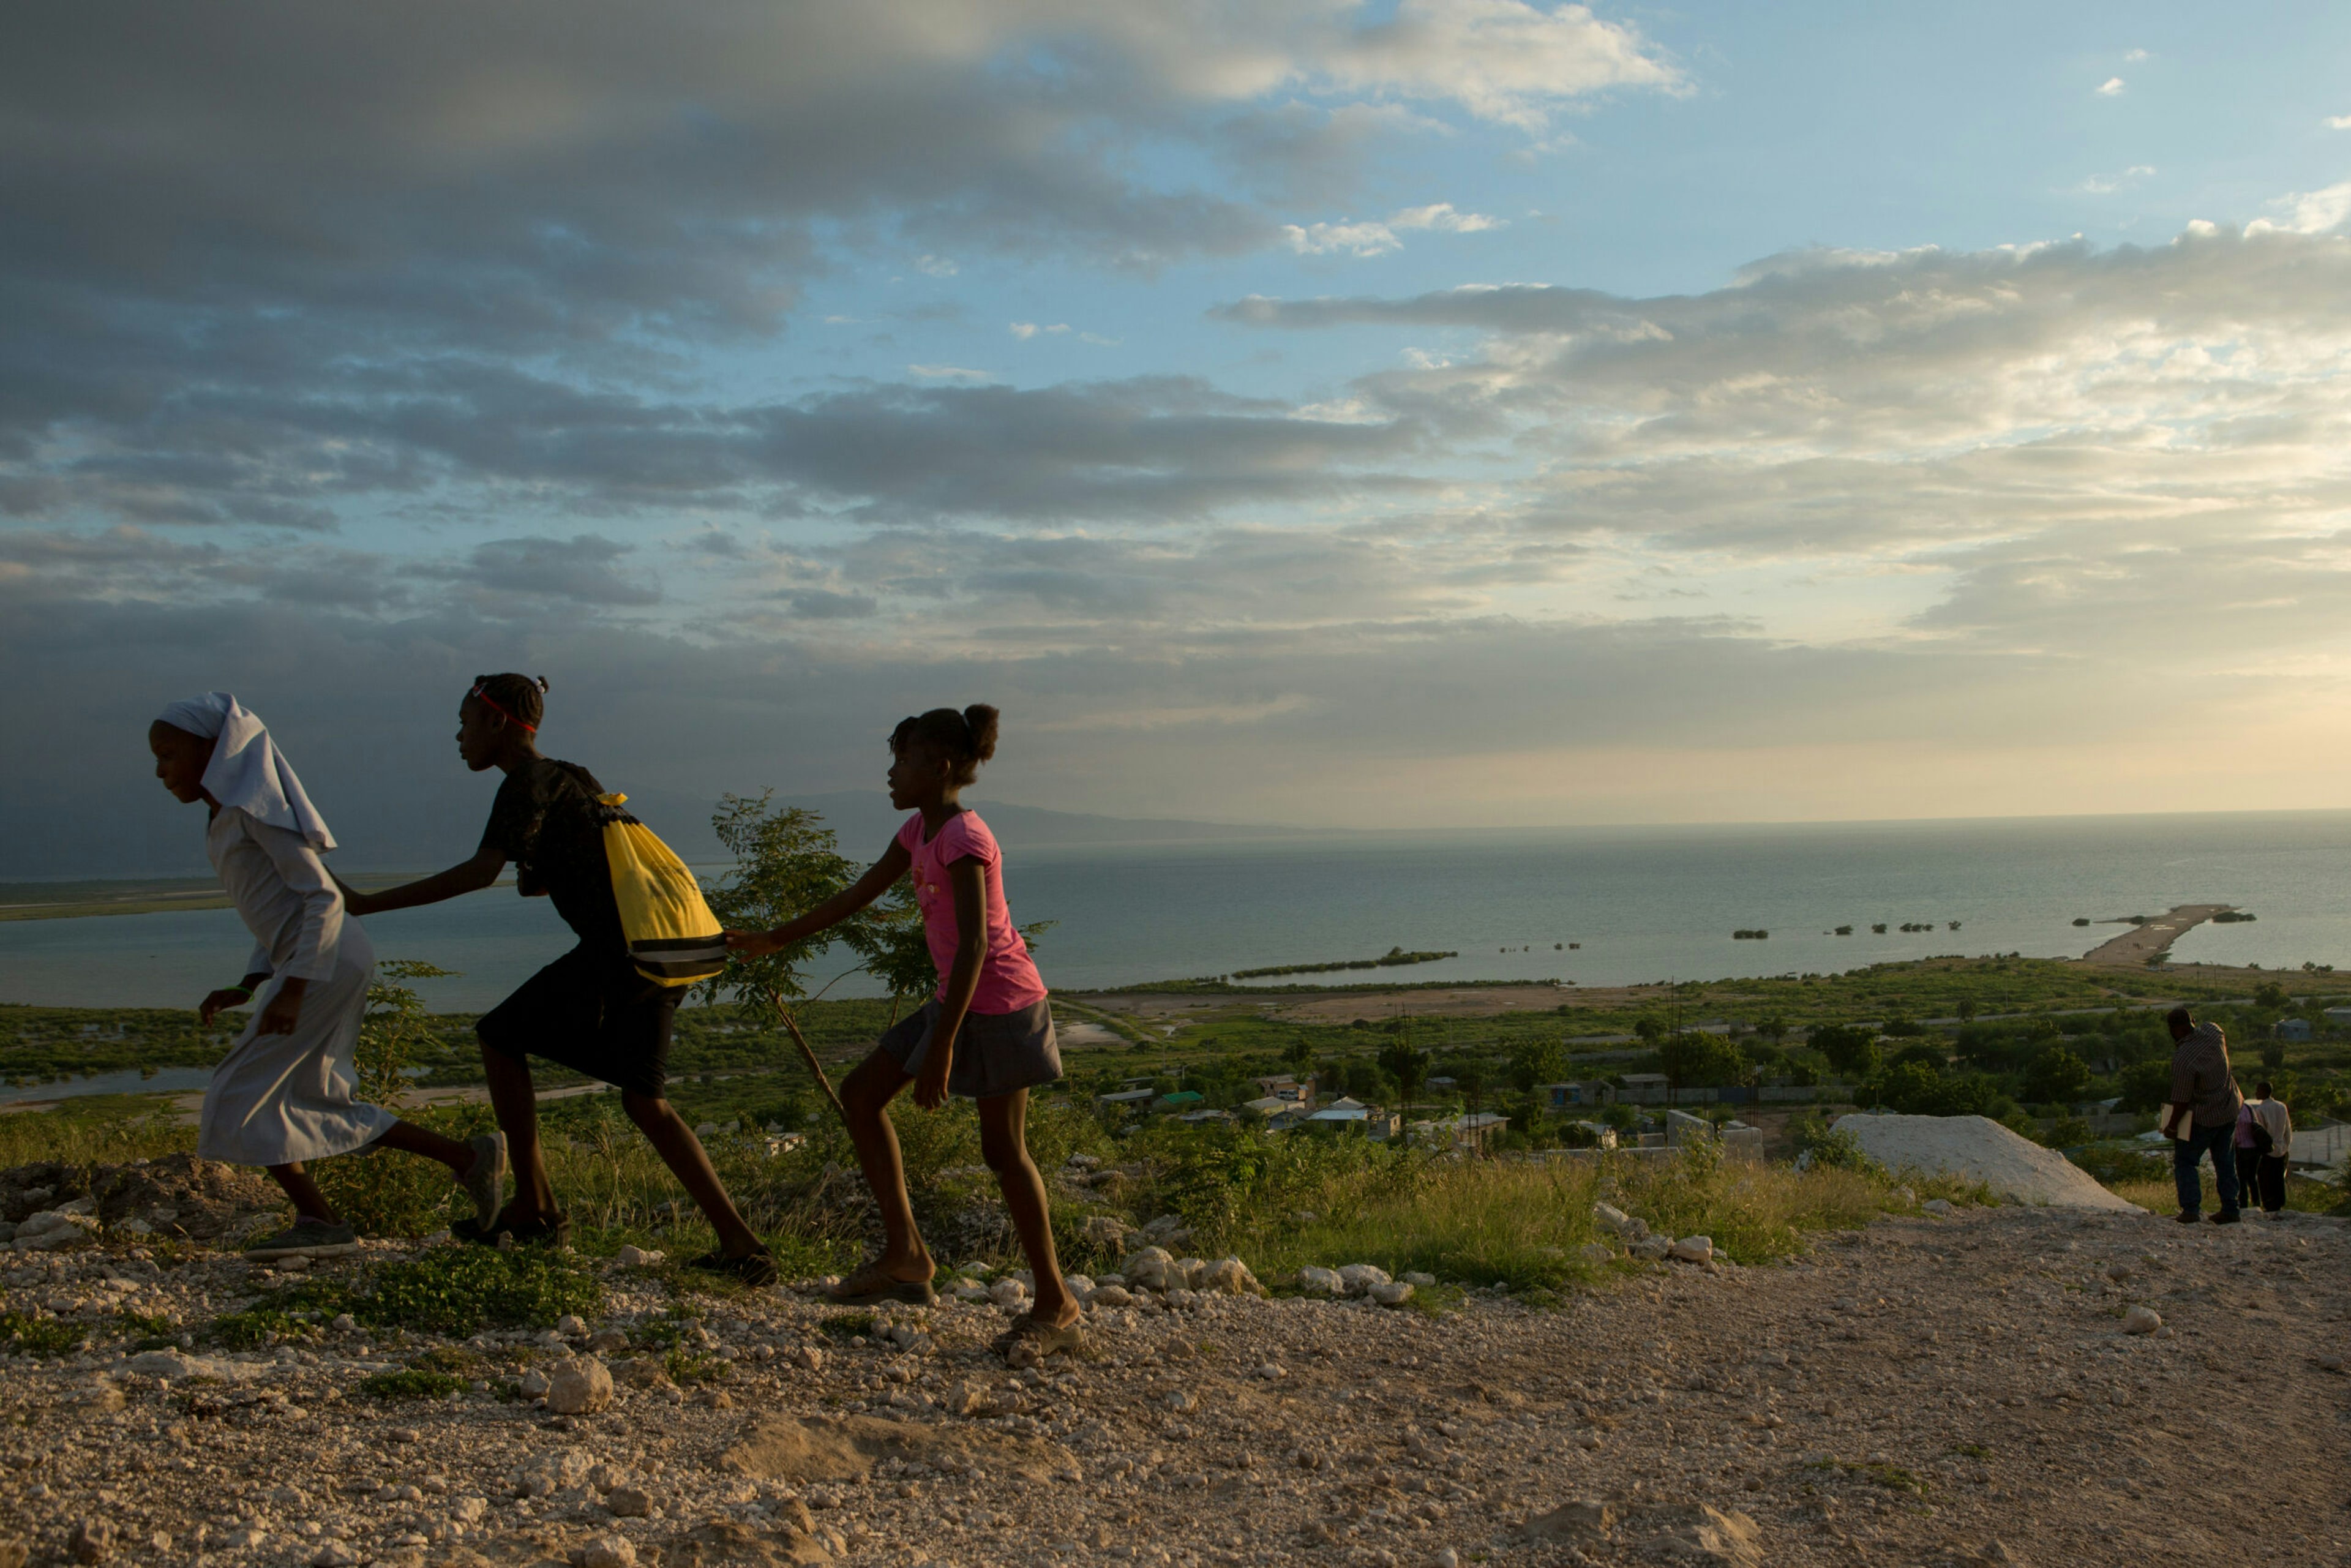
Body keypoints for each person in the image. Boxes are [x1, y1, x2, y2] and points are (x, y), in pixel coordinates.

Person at [333, 675, 776, 1284]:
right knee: (645, 1100)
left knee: (499, 1034)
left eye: (465, 723)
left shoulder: (524, 783)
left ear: (499, 722)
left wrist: (365, 904)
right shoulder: (574, 775)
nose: (458, 737)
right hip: (663, 945)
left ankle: (536, 1205)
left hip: (620, 951)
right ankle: (741, 1244)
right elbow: (557, 868)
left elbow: (480, 871)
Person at [725, 705, 1079, 1362]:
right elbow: (855, 895)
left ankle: (1056, 1300)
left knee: (1003, 1151)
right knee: (861, 1094)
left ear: (938, 766)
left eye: (903, 760)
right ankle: (906, 1256)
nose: (891, 772)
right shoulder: (918, 830)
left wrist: (941, 1047)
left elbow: (975, 944)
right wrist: (775, 938)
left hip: (999, 1003)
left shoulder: (964, 839)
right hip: (956, 998)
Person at [150, 693, 506, 1260]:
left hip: (324, 961)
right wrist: (249, 982)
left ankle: (322, 1219)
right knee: (305, 1096)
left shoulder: (253, 812)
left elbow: (321, 896)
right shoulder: (226, 818)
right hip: (318, 959)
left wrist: (292, 987)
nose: (161, 770)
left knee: (237, 1093)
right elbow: (276, 913)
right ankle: (465, 1159)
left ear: (214, 751)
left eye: (169, 754)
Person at [2161, 1006, 2242, 1225]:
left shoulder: (2183, 1059)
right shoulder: (2214, 1033)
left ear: (2174, 1030)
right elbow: (2214, 1027)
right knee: (2225, 1160)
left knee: (2186, 1161)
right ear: (2192, 1021)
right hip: (2229, 1107)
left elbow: (2181, 1100)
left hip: (2204, 1116)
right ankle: (2231, 1208)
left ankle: (2191, 1209)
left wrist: (2171, 1126)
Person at [2238, 1079, 2292, 1215]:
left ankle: (2268, 1203)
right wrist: (2286, 1145)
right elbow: (2288, 1129)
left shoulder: (2261, 1110)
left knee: (2266, 1179)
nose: (2256, 1093)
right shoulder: (2282, 1107)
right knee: (2279, 1177)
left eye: (2258, 1090)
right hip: (2281, 1147)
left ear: (2264, 1092)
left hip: (2267, 1149)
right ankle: (2279, 1203)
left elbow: (2262, 1132)